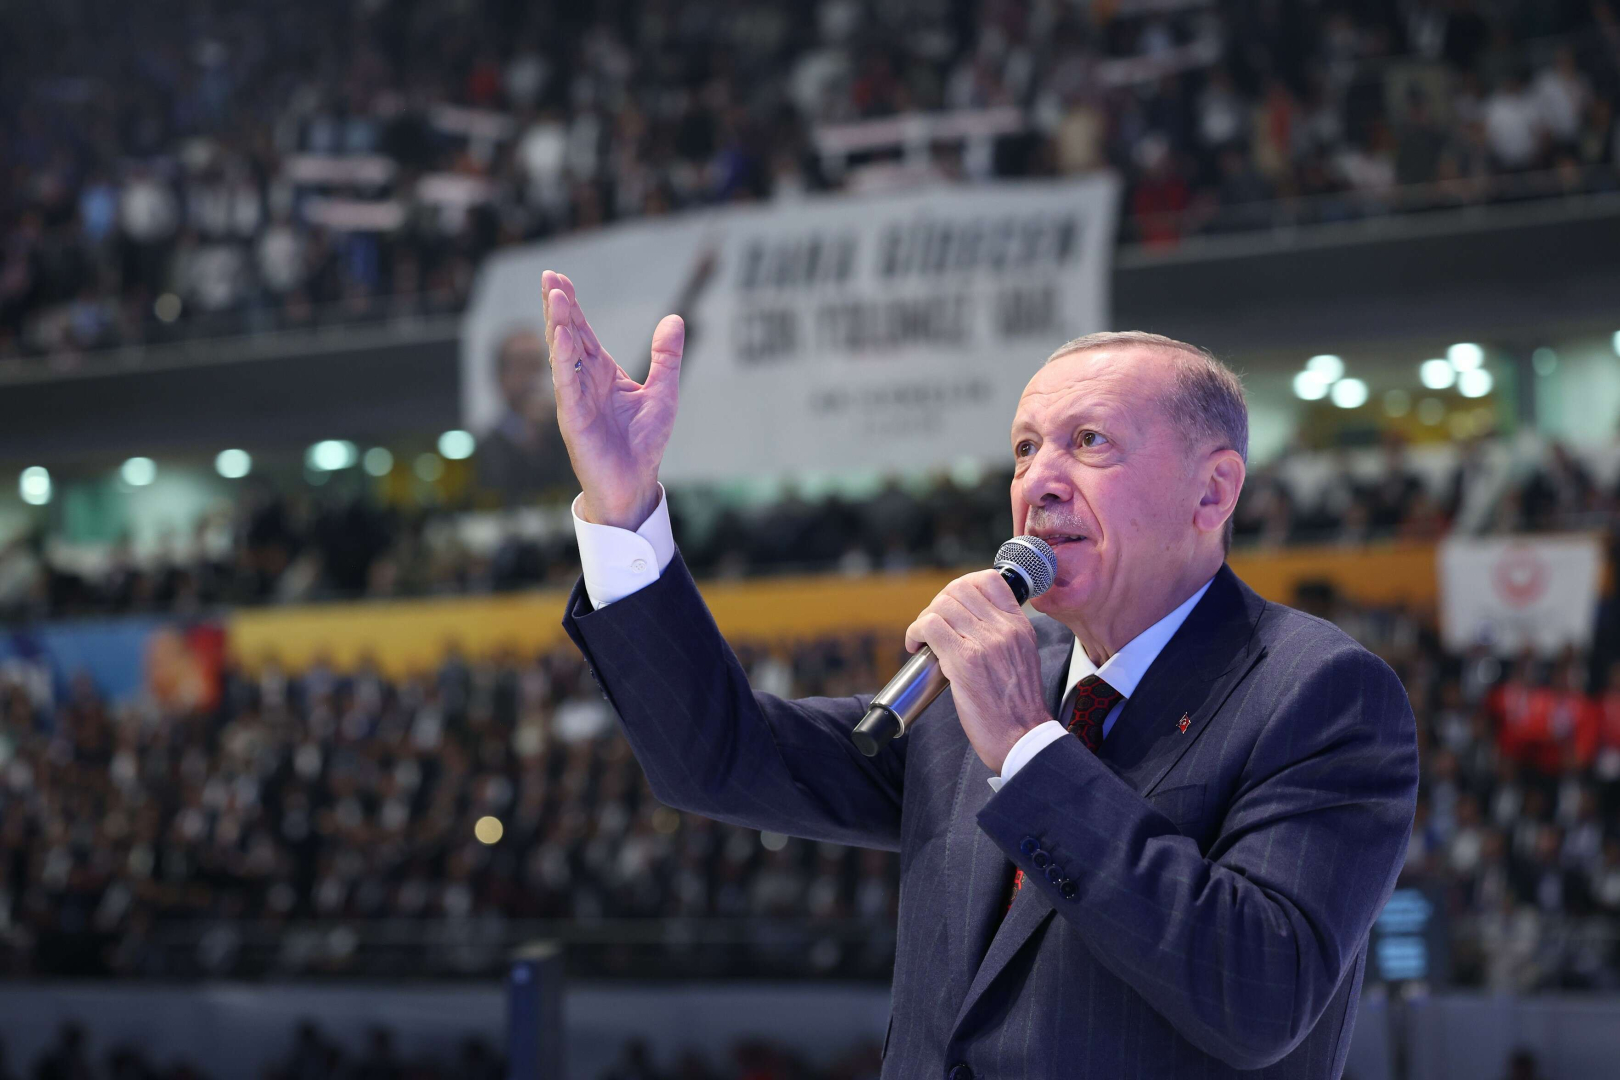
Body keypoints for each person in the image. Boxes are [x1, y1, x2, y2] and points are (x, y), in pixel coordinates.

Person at [541, 269, 1418, 1078]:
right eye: (1025, 449)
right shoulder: (970, 692)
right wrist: (624, 509)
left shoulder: (1321, 695)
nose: (1040, 482)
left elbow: (1259, 995)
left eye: (1089, 442)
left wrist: (1029, 748)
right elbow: (717, 759)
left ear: (1213, 491)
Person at [476, 326, 576, 497]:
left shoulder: (566, 435)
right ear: (501, 377)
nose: (532, 377)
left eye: (537, 365)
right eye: (521, 366)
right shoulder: (487, 449)